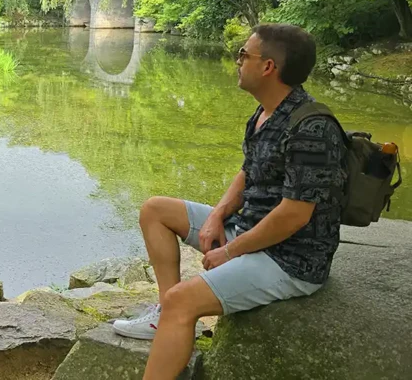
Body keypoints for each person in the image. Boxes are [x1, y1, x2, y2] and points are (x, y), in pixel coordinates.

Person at [111, 24, 346, 380]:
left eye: (243, 55)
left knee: (182, 301)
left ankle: (174, 317)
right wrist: (217, 215)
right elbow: (248, 172)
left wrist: (230, 253)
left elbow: (294, 215)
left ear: (268, 67)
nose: (237, 61)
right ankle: (165, 319)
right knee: (155, 210)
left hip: (290, 258)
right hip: (250, 230)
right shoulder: (266, 112)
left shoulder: (311, 128)